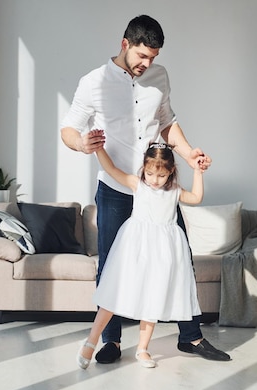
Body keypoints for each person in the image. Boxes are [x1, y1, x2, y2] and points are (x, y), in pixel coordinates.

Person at [61, 14, 230, 362]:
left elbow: (166, 121)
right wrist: (83, 145)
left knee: (180, 257)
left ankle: (191, 338)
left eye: (153, 57)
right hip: (116, 187)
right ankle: (112, 341)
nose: (147, 63)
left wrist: (189, 153)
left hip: (158, 189)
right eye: (142, 56)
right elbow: (69, 129)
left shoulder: (159, 76)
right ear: (125, 45)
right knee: (111, 264)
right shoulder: (93, 82)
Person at [78, 142, 204, 369]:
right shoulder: (138, 185)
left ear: (170, 172)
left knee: (152, 297)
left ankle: (143, 349)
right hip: (135, 248)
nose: (155, 179)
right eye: (150, 173)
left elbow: (196, 198)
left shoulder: (174, 192)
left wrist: (197, 171)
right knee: (114, 292)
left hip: (162, 252)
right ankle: (91, 341)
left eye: (161, 175)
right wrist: (98, 148)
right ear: (143, 169)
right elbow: (112, 170)